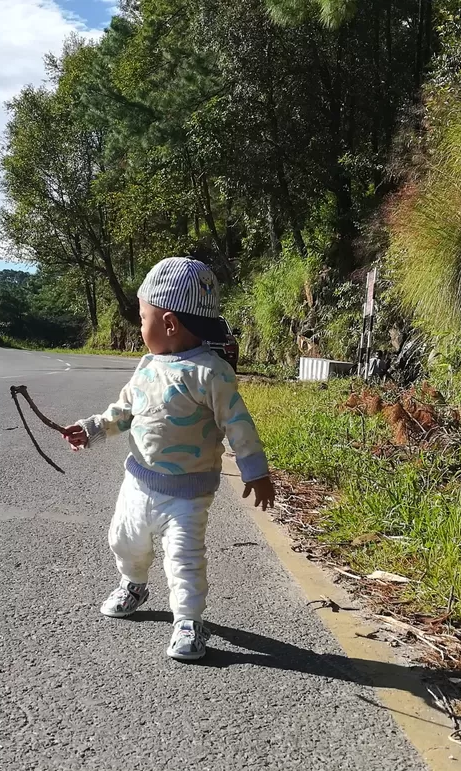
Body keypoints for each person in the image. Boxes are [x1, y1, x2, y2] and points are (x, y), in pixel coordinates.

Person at [64, 257, 275, 661]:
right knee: (124, 539)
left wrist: (256, 472)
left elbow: (238, 425)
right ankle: (133, 584)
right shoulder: (146, 366)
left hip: (187, 495)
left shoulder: (211, 373)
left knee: (184, 559)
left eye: (143, 318)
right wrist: (90, 429)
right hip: (138, 483)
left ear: (170, 323)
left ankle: (189, 622)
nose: (140, 328)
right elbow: (122, 412)